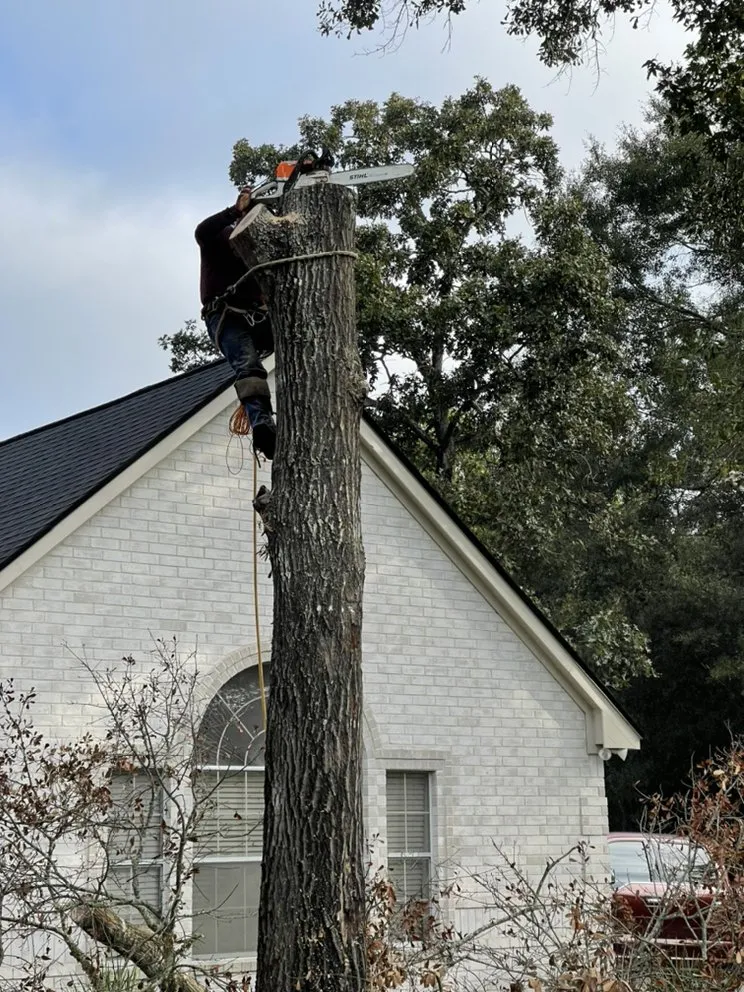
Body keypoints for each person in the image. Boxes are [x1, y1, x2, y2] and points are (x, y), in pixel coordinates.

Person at [195, 188, 276, 459]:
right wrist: (234, 211)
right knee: (248, 364)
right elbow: (202, 230)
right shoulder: (218, 237)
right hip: (226, 317)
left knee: (296, 341)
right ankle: (262, 424)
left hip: (257, 316)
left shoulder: (261, 250)